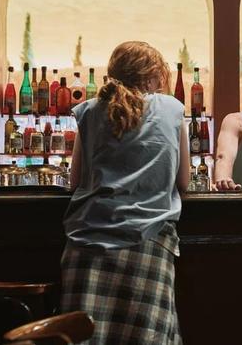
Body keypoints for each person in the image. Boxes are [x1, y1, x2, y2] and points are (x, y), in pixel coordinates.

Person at [61, 41, 189, 344]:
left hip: (88, 243)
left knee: (84, 338)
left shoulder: (89, 111)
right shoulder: (172, 109)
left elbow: (75, 180)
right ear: (154, 76)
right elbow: (183, 182)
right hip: (148, 241)